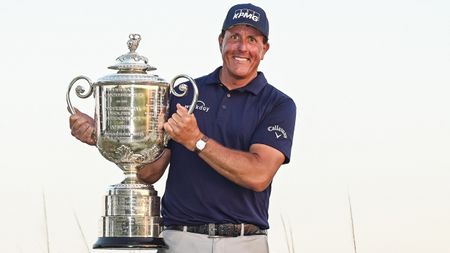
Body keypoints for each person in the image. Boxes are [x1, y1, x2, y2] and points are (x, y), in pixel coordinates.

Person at [70, 3, 296, 253]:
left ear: (264, 49)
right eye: (234, 37)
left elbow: (258, 175)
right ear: (221, 41)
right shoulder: (183, 94)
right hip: (180, 239)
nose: (242, 47)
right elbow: (148, 172)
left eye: (252, 39)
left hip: (245, 242)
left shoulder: (278, 105)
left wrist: (197, 141)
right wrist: (103, 137)